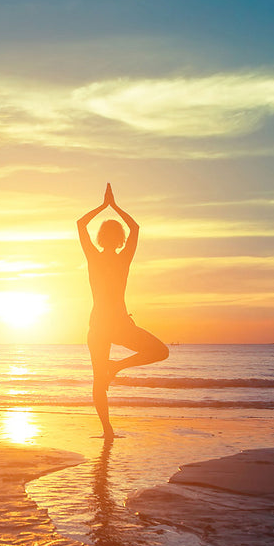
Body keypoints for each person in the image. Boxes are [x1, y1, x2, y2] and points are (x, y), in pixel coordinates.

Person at [78, 184, 168, 438]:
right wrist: (115, 207)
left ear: (101, 238)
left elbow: (80, 224)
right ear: (120, 239)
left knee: (98, 379)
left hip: (99, 324)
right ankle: (117, 367)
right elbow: (136, 228)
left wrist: (103, 206)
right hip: (116, 323)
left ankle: (107, 431)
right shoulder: (123, 257)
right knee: (161, 351)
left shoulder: (93, 257)